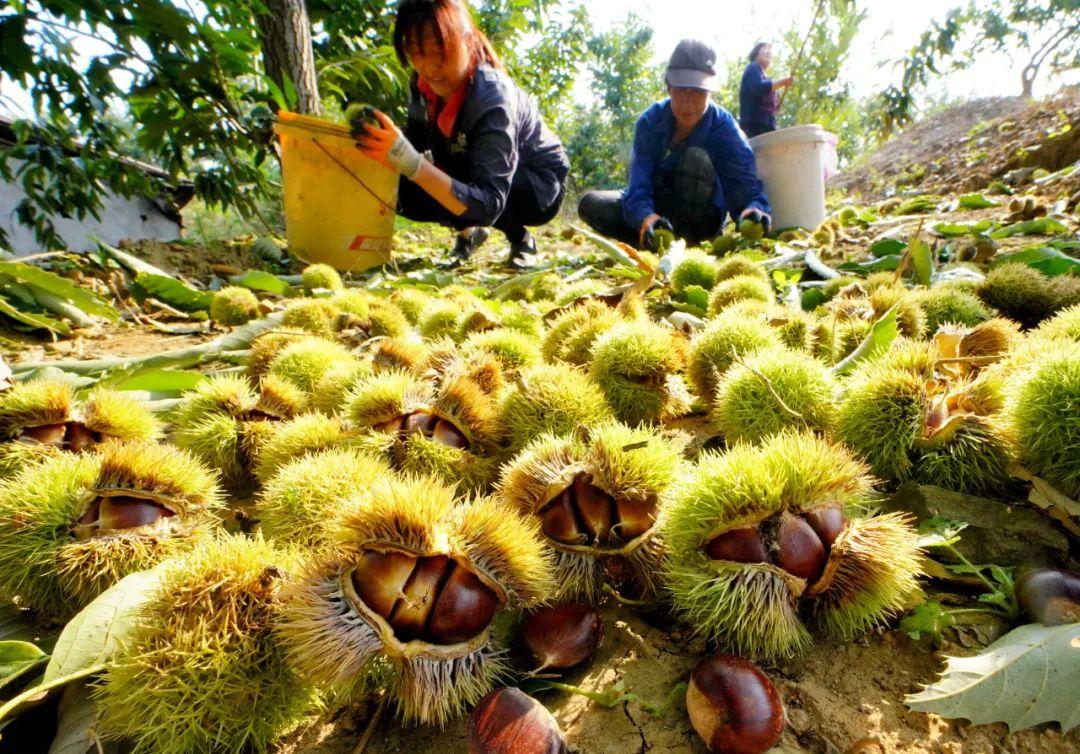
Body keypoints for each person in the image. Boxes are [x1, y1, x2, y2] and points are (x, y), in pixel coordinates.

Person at [354, 0, 569, 269]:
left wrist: (413, 164)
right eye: (417, 54)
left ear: (467, 42)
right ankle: (470, 233)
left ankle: (521, 238)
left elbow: (490, 200)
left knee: (457, 177)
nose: (430, 68)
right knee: (400, 190)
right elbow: (416, 140)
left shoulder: (493, 99)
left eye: (441, 52)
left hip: (538, 186)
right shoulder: (422, 85)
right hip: (470, 168)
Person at [577, 39, 771, 250]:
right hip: (661, 210)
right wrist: (646, 216)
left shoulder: (725, 127)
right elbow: (638, 183)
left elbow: (744, 185)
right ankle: (653, 237)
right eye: (681, 90)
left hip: (702, 218)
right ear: (669, 88)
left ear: (710, 93)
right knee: (591, 203)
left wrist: (751, 210)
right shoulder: (650, 122)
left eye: (697, 91)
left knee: (695, 159)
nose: (688, 101)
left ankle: (691, 243)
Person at [739, 42, 794, 138]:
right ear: (756, 53)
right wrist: (783, 81)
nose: (768, 52)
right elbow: (758, 88)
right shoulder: (753, 67)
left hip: (765, 127)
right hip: (753, 126)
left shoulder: (765, 77)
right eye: (764, 48)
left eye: (770, 50)